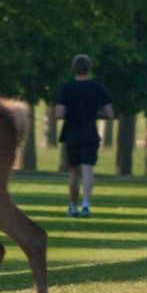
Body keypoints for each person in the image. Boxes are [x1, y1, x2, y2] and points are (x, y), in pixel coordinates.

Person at [53, 55, 114, 217]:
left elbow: (59, 114)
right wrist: (95, 113)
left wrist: (71, 113)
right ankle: (86, 204)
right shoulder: (98, 88)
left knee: (73, 171)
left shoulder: (66, 88)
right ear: (89, 68)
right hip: (90, 133)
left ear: (74, 68)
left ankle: (73, 205)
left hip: (71, 133)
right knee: (88, 169)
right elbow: (109, 113)